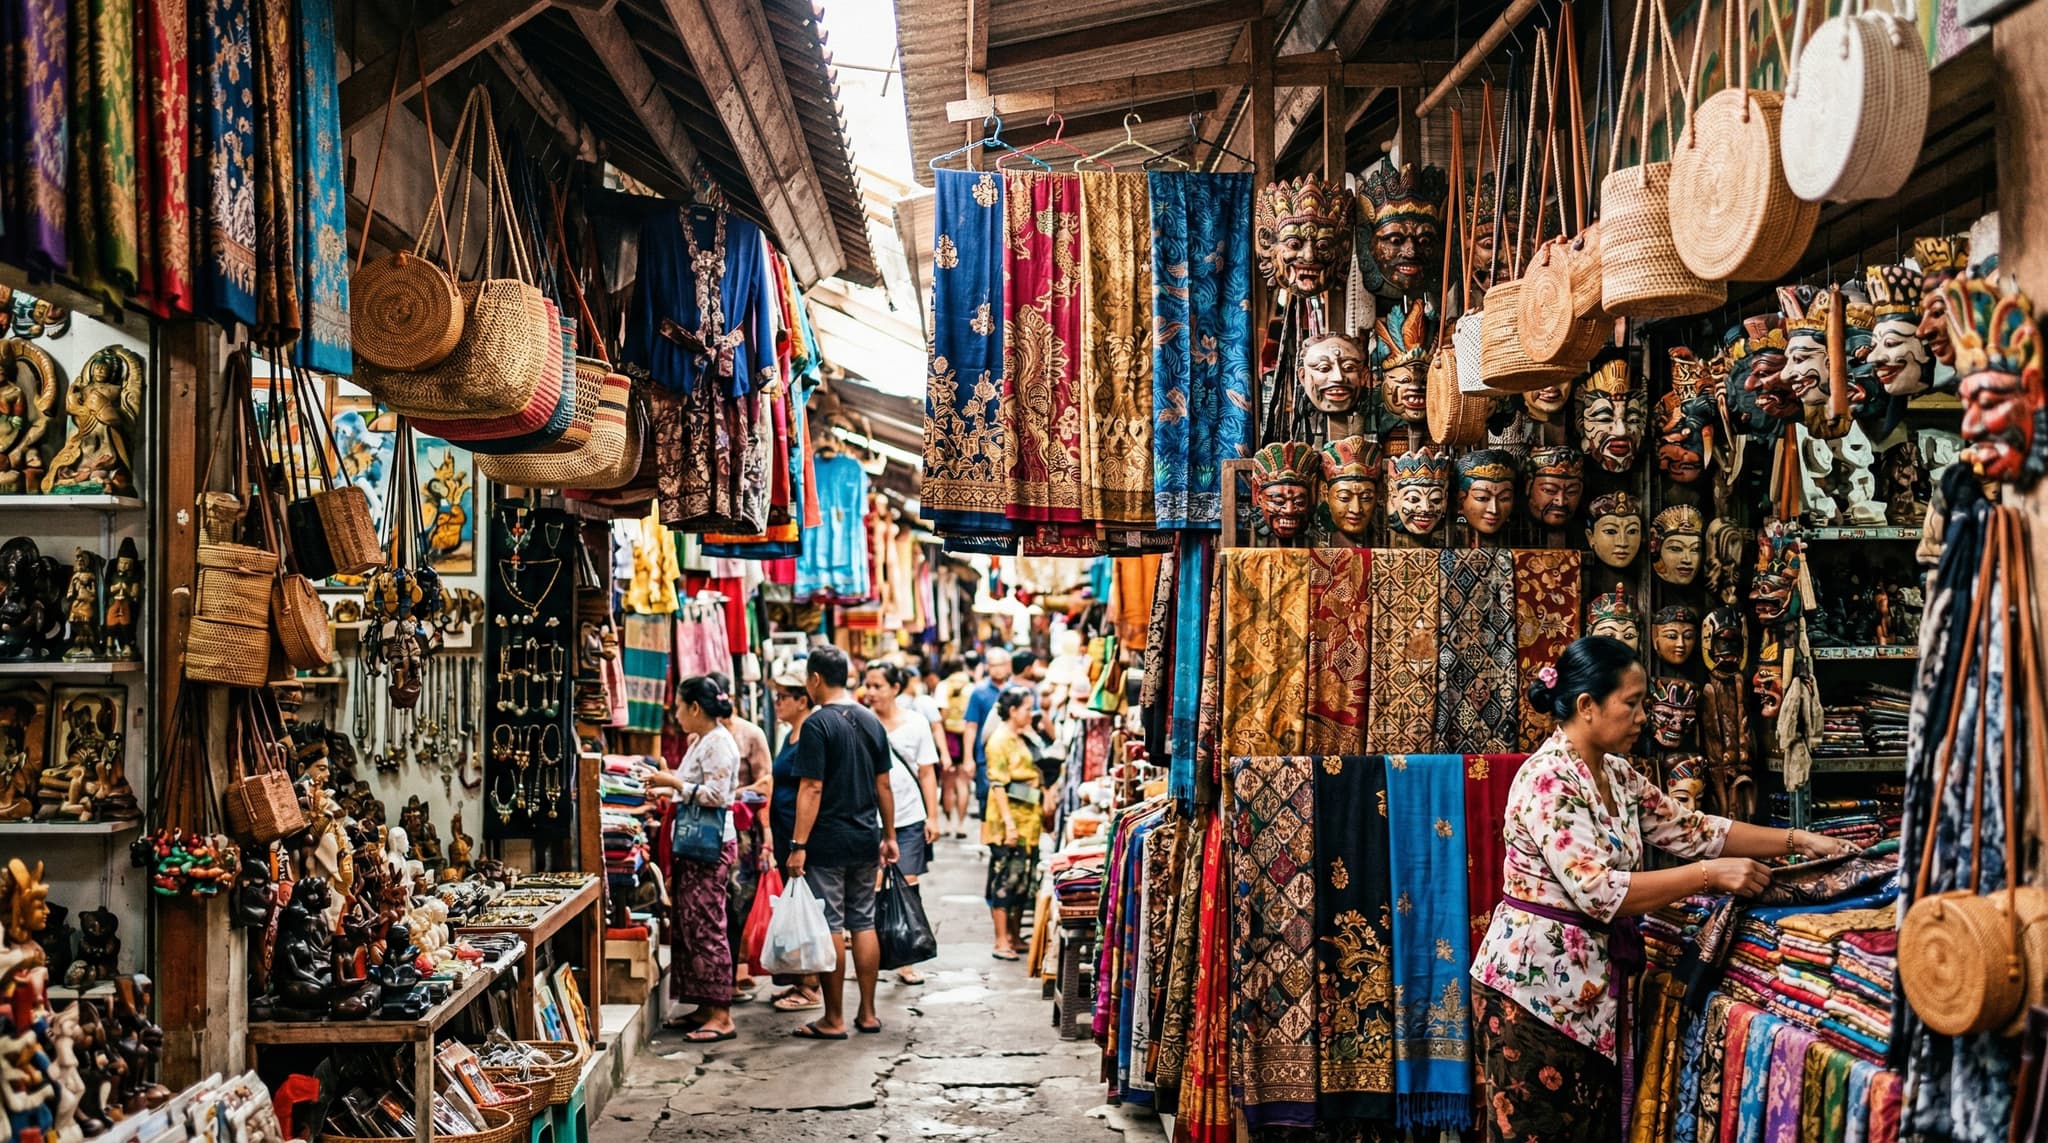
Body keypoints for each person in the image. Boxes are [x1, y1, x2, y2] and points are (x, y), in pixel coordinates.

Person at [1469, 636, 1859, 1140]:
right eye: (1631, 704)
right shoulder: (1549, 780)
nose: (1641, 718)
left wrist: (1795, 840)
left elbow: (1693, 829)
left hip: (1588, 994)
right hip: (1533, 999)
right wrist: (1709, 876)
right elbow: (1600, 892)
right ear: (1587, 706)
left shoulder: (1615, 774)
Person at [786, 647, 898, 1040]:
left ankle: (833, 1018)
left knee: (832, 924)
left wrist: (798, 844)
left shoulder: (818, 725)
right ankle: (867, 1013)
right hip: (866, 836)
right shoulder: (871, 720)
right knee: (863, 921)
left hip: (828, 840)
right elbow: (884, 783)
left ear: (815, 679)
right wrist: (890, 835)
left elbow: (812, 787)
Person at [644, 676, 742, 1042]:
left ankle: (721, 1014)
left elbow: (718, 796)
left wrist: (672, 784)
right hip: (694, 845)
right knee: (690, 923)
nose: (677, 715)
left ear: (695, 708)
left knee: (707, 925)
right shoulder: (702, 741)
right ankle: (704, 1004)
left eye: (680, 707)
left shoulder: (719, 743)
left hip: (709, 846)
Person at [863, 663, 942, 985]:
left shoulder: (916, 724)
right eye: (867, 685)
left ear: (895, 688)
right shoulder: (860, 723)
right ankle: (873, 953)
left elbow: (926, 772)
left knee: (906, 884)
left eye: (877, 686)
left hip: (908, 817)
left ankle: (905, 957)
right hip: (868, 818)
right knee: (871, 888)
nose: (870, 692)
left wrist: (932, 816)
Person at [710, 672, 772, 1001]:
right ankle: (724, 977)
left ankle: (736, 972)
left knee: (739, 903)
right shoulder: (702, 736)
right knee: (716, 904)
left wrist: (768, 837)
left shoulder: (751, 733)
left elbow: (766, 784)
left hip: (744, 833)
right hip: (709, 831)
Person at [766, 670, 820, 1014]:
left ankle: (811, 984)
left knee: (807, 907)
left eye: (784, 696)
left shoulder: (808, 737)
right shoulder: (788, 736)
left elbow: (810, 788)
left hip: (800, 832)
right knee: (795, 905)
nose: (777, 703)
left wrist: (800, 841)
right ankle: (801, 977)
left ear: (803, 700)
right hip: (785, 829)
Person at [981, 687, 1043, 961]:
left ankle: (1015, 936)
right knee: (1004, 878)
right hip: (1008, 821)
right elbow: (998, 786)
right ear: (1013, 710)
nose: (1031, 713)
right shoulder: (999, 741)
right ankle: (999, 940)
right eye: (1027, 708)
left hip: (1028, 818)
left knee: (1022, 880)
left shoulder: (1024, 737)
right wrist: (1009, 824)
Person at [960, 648, 1014, 827]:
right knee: (987, 799)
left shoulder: (1016, 691)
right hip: (986, 757)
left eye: (1000, 665)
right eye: (993, 665)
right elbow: (971, 726)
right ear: (986, 667)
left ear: (1008, 666)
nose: (997, 669)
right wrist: (968, 758)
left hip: (1013, 757)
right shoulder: (979, 692)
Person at [935, 655, 975, 835]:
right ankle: (961, 824)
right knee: (963, 782)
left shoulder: (943, 686)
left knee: (948, 782)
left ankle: (949, 824)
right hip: (966, 735)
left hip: (948, 736)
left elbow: (941, 714)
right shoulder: (971, 686)